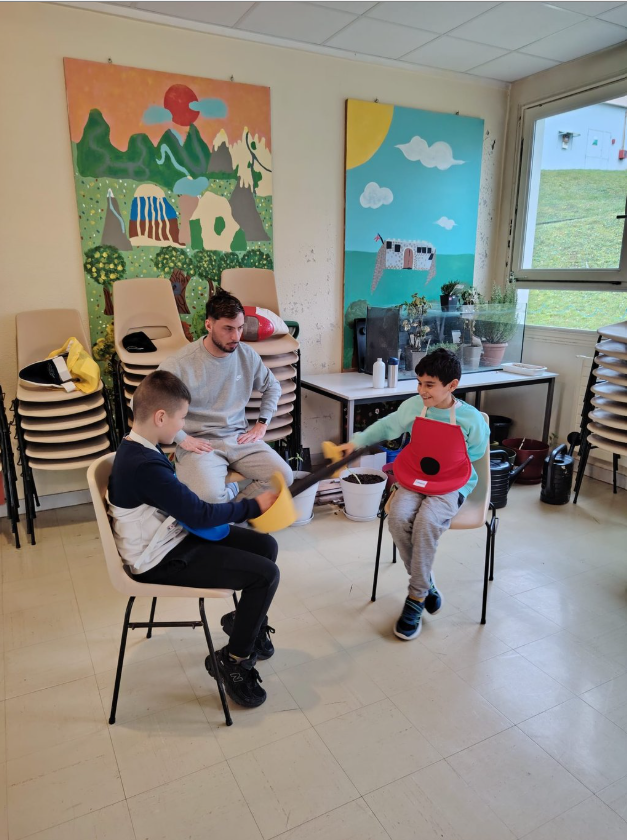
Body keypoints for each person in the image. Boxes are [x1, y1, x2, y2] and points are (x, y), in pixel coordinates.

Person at [108, 370, 281, 708]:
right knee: (266, 575)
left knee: (266, 546)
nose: (183, 426)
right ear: (160, 417)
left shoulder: (140, 448)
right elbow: (200, 514)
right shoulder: (145, 466)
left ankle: (245, 621)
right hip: (158, 560)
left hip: (171, 537)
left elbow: (189, 510)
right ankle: (232, 661)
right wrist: (252, 505)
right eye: (182, 418)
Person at [343, 348, 489, 641]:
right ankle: (427, 586)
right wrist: (358, 440)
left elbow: (473, 454)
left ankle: (416, 597)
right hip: (415, 477)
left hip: (453, 483)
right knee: (396, 516)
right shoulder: (413, 406)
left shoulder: (471, 419)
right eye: (419, 383)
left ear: (452, 385)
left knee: (426, 522)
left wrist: (447, 474)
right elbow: (388, 426)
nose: (422, 390)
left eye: (430, 385)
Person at [159, 288, 293, 504]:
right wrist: (181, 438)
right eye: (228, 329)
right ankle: (224, 510)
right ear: (209, 325)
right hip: (200, 444)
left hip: (238, 438)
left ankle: (231, 511)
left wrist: (262, 423)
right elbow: (144, 403)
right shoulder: (179, 363)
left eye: (240, 328)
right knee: (210, 497)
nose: (236, 337)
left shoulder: (246, 354)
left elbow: (273, 387)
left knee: (283, 477)